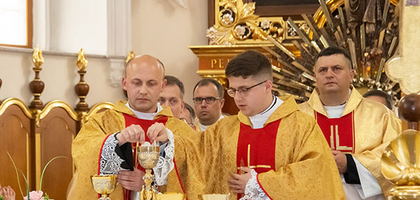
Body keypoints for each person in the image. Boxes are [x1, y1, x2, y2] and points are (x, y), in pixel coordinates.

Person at [150, 50, 345, 199]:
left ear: (267, 86)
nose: (238, 98)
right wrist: (169, 140)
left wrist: (257, 183)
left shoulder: (301, 126)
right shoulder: (224, 129)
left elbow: (315, 178)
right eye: (233, 91)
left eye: (244, 89)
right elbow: (195, 154)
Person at [67, 55, 201, 200]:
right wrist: (116, 140)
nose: (143, 90)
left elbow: (197, 173)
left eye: (151, 84)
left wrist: (150, 183)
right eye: (136, 83)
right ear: (124, 83)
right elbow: (83, 153)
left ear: (162, 86)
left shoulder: (178, 129)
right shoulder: (103, 122)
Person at [299, 47, 401, 200]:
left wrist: (350, 164)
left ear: (351, 74)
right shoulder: (296, 117)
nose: (329, 75)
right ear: (315, 77)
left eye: (336, 69)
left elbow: (397, 158)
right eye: (323, 70)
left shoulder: (380, 115)